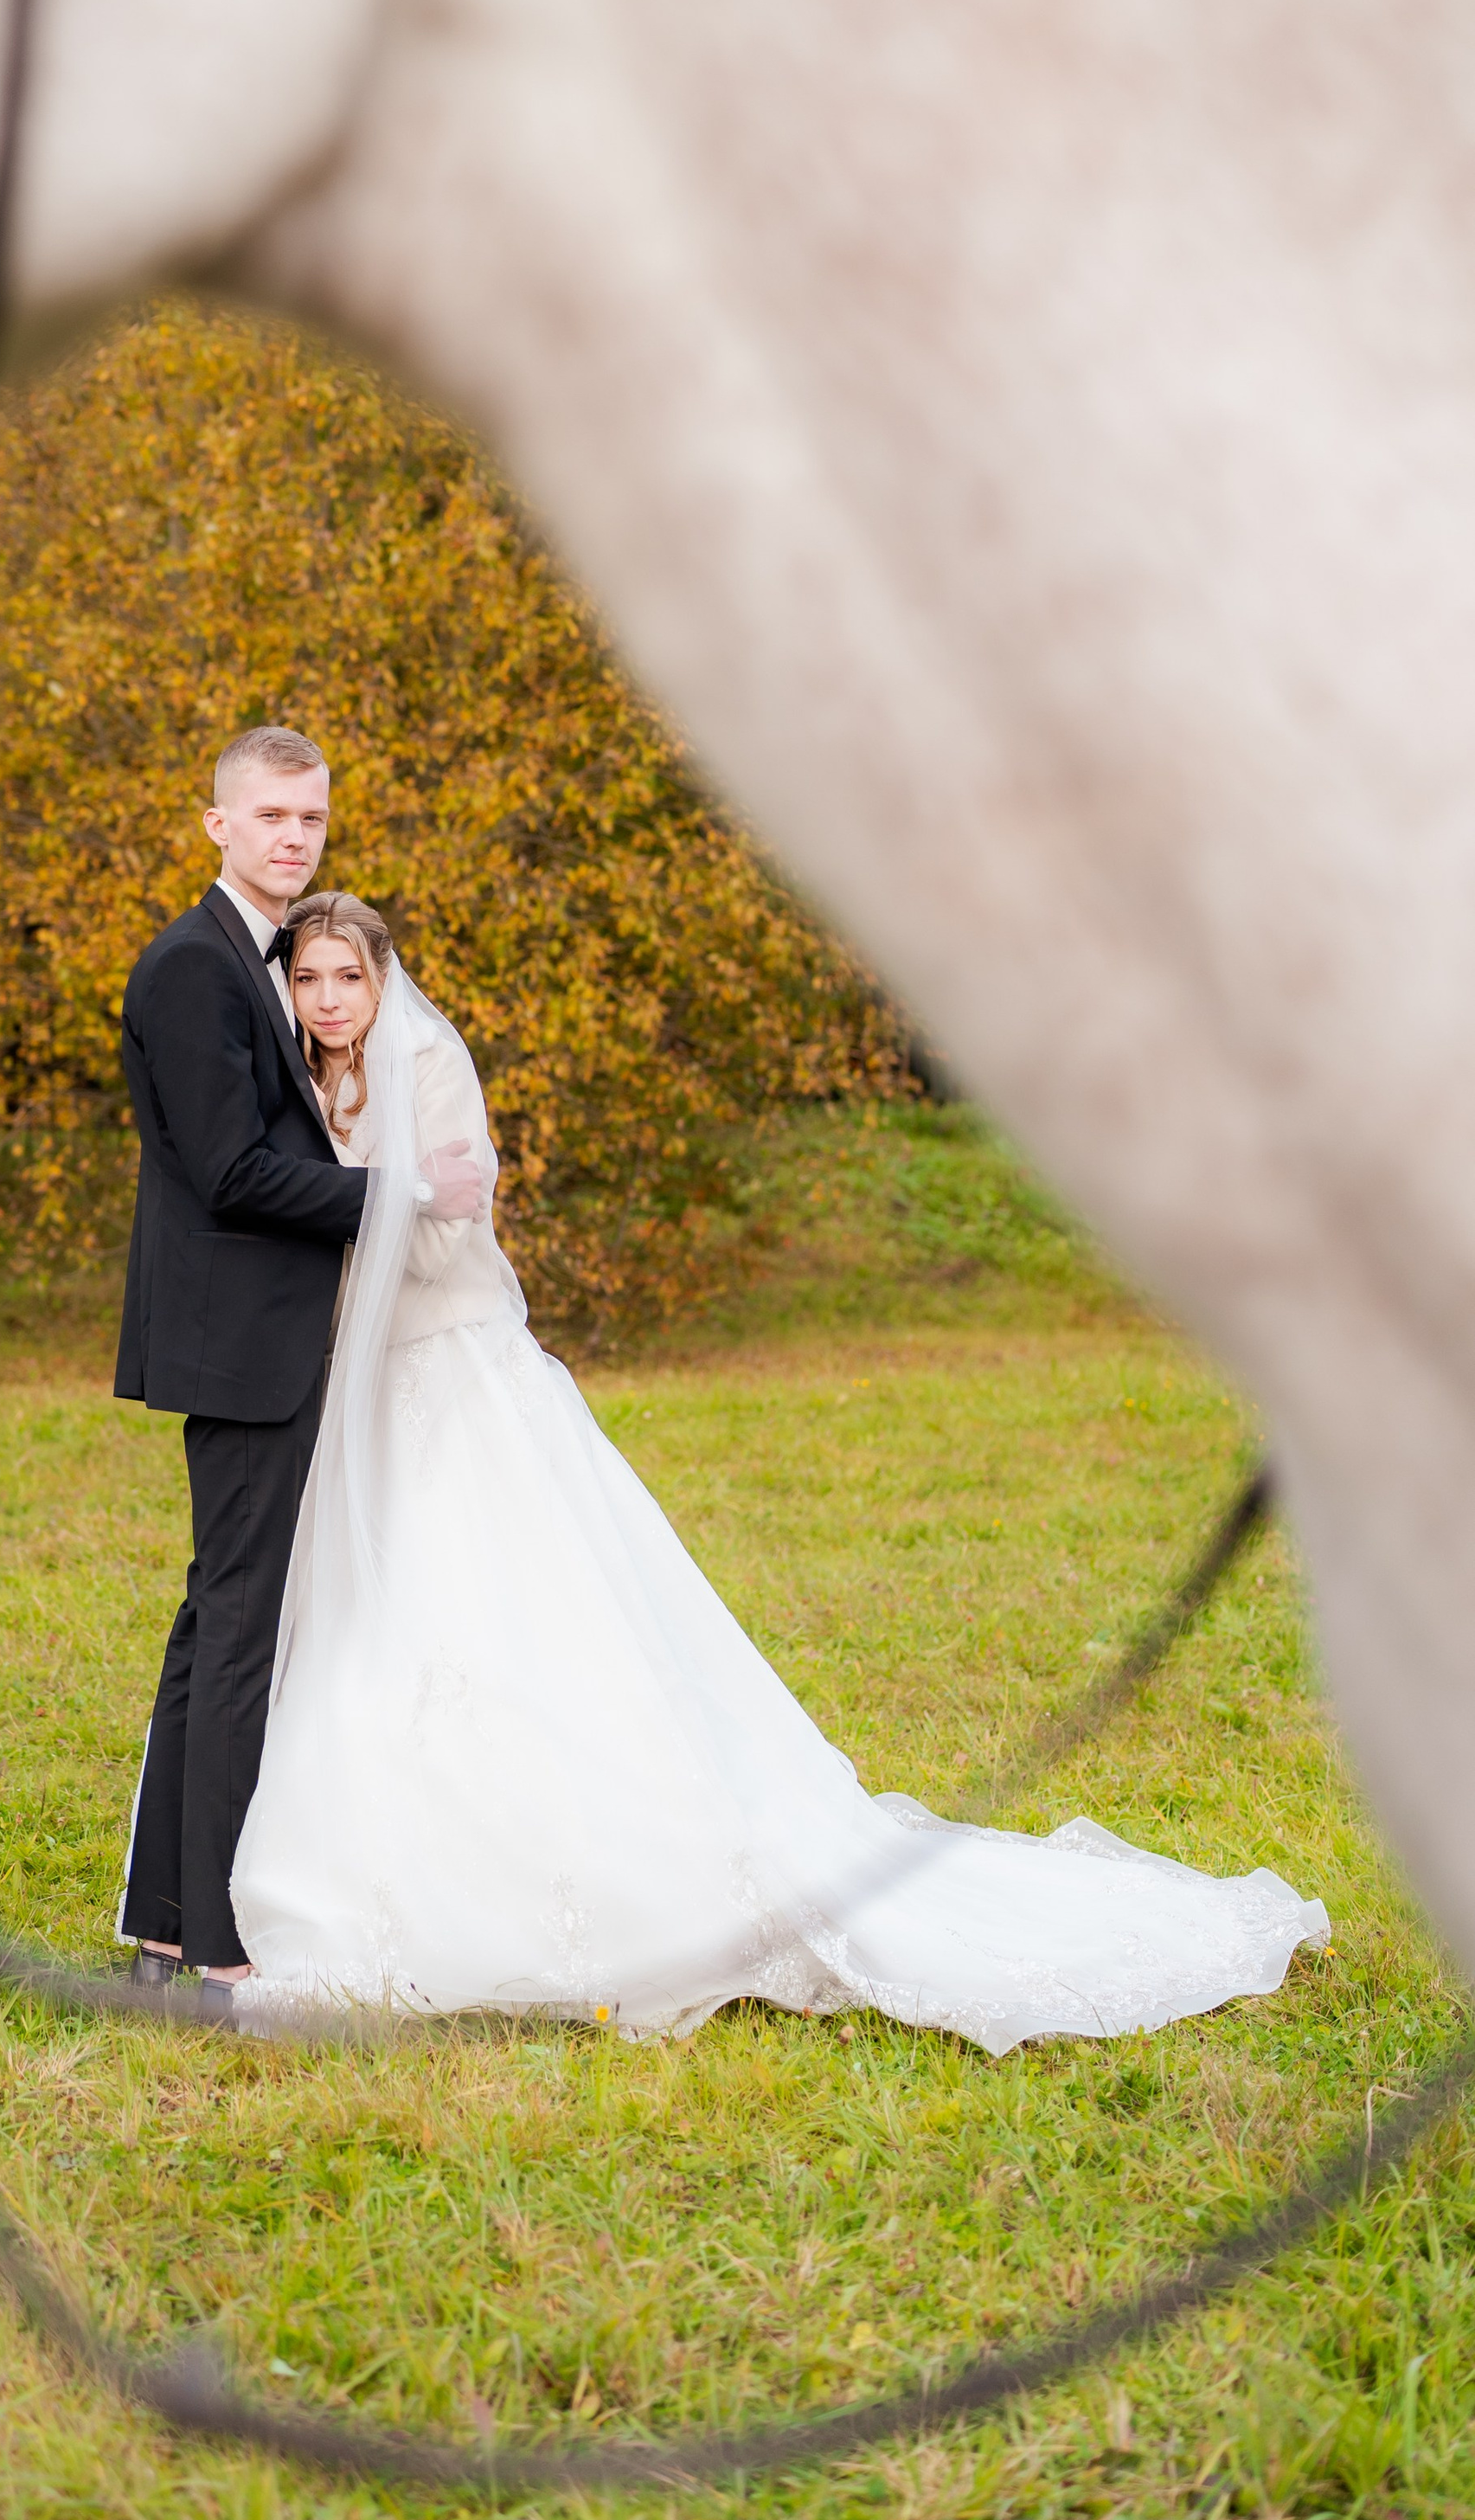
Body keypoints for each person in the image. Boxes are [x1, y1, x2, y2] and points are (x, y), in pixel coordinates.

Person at [229, 895, 1329, 2047]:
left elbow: (451, 1234)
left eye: (348, 977)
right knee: (373, 1624)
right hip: (360, 1402)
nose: (332, 999)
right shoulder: (306, 1079)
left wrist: (370, 1200)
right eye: (311, 981)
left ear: (381, 979)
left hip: (455, 1378)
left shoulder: (429, 1066)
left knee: (506, 1614)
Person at [112, 733, 481, 2015]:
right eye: (269, 815)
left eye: (312, 817)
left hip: (268, 1335)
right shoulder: (192, 969)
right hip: (242, 1341)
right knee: (238, 1632)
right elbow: (228, 1172)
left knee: (219, 1617)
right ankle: (215, 1942)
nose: (295, 837)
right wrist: (398, 1193)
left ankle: (164, 1925)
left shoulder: (264, 965)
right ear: (215, 821)